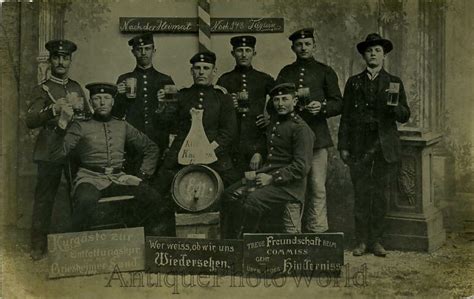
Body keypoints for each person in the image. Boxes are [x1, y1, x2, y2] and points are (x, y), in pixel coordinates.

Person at [50, 82, 167, 234]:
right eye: (97, 98)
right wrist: (62, 124)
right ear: (91, 103)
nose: (103, 102)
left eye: (107, 98)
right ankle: (81, 249)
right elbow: (57, 152)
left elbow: (151, 148)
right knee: (84, 200)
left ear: (113, 101)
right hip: (90, 178)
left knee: (153, 198)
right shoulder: (80, 126)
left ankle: (144, 243)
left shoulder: (122, 125)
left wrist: (143, 174)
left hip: (118, 178)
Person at [338, 33, 410, 257]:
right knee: (361, 194)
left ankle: (376, 240)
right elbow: (346, 116)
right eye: (369, 51)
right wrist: (344, 146)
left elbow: (405, 115)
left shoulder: (394, 82)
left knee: (379, 196)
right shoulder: (353, 82)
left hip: (383, 147)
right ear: (363, 55)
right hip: (359, 147)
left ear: (384, 55)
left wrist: (394, 107)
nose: (373, 54)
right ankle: (360, 241)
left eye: (377, 50)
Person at [223, 83, 314, 238]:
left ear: (295, 101)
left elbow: (301, 167)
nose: (280, 104)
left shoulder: (301, 129)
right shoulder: (275, 122)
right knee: (229, 194)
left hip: (289, 186)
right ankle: (232, 242)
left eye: (285, 99)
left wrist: (272, 178)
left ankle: (245, 244)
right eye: (276, 100)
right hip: (266, 176)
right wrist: (258, 153)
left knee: (252, 199)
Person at [25, 39, 89, 260]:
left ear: (70, 60)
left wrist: (81, 111)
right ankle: (37, 245)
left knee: (78, 195)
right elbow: (30, 119)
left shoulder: (76, 87)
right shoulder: (41, 88)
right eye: (57, 57)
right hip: (50, 148)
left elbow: (88, 117)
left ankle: (77, 244)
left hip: (73, 150)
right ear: (51, 60)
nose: (61, 61)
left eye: (65, 57)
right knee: (45, 198)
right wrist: (53, 108)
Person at [276, 28, 343, 233]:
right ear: (293, 48)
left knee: (317, 187)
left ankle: (318, 231)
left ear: (314, 46)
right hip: (291, 140)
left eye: (307, 44)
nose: (303, 48)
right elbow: (274, 103)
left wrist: (321, 107)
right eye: (299, 45)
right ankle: (292, 233)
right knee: (293, 187)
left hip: (318, 139)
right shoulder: (286, 72)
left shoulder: (325, 71)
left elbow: (338, 103)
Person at [158, 51, 239, 189]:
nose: (201, 72)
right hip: (182, 152)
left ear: (214, 71)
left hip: (214, 152)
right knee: (160, 187)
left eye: (206, 68)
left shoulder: (223, 98)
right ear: (191, 71)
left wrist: (208, 150)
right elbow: (168, 126)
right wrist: (163, 105)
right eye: (197, 68)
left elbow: (229, 132)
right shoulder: (181, 95)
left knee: (232, 190)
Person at [113, 32, 175, 174]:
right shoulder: (124, 78)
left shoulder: (166, 80)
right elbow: (116, 115)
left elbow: (173, 116)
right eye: (139, 49)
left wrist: (165, 103)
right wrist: (119, 96)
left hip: (159, 138)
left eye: (147, 49)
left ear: (154, 50)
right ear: (133, 52)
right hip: (133, 142)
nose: (143, 53)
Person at [216, 35, 275, 174]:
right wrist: (229, 105)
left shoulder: (264, 79)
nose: (243, 54)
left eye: (247, 50)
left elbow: (283, 102)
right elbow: (215, 112)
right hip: (231, 144)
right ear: (233, 53)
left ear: (254, 53)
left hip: (256, 143)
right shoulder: (224, 80)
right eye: (239, 50)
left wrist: (271, 119)